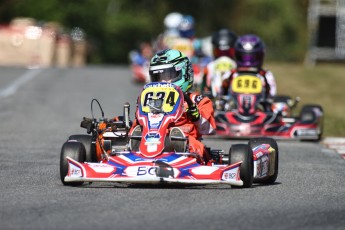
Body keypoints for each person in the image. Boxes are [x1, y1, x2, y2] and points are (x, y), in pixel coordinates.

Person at [129, 49, 216, 163]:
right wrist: (132, 133)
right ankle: (135, 147)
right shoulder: (149, 99)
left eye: (167, 76)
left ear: (184, 73)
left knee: (192, 144)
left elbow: (209, 129)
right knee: (135, 133)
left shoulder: (197, 100)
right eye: (158, 77)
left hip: (185, 139)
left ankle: (179, 146)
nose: (163, 82)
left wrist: (196, 117)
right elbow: (138, 122)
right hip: (151, 137)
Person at [223, 34, 277, 101]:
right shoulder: (230, 74)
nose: (248, 61)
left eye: (252, 57)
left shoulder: (265, 75)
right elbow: (222, 95)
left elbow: (271, 96)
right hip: (233, 109)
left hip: (258, 109)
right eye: (244, 56)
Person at [202, 28, 238, 97]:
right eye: (219, 52)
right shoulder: (209, 68)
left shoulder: (237, 68)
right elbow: (203, 90)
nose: (223, 58)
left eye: (228, 53)